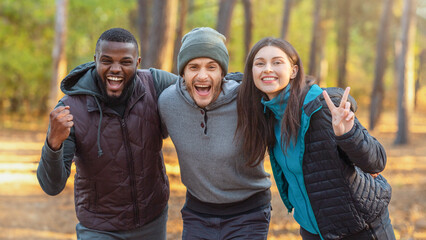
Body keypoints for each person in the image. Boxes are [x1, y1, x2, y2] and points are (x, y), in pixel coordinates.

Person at [236, 37, 396, 240]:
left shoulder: (321, 107)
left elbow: (376, 162)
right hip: (313, 231)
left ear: (293, 71)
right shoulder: (267, 113)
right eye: (260, 63)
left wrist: (348, 134)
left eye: (277, 62)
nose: (267, 69)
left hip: (360, 227)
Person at [37, 28, 177, 240]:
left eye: (125, 62)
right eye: (107, 60)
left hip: (152, 221)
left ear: (137, 62)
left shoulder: (155, 84)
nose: (115, 69)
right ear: (95, 60)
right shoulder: (70, 109)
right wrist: (52, 144)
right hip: (99, 228)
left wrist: (237, 81)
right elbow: (52, 186)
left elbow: (197, 84)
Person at [158, 27, 272, 240]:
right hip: (197, 214)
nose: (202, 75)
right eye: (193, 67)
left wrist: (339, 98)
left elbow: (292, 96)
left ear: (222, 72)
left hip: (249, 213)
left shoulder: (248, 99)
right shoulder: (167, 102)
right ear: (182, 72)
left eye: (212, 67)